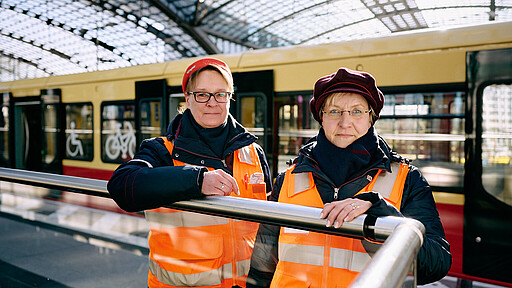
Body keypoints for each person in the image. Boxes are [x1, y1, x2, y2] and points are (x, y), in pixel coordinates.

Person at [247, 67, 451, 287]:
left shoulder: (407, 179)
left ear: (371, 117)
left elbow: (435, 264)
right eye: (334, 111)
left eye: (357, 111)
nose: (345, 122)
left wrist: (382, 216)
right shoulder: (288, 178)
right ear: (321, 118)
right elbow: (262, 264)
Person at [107, 57, 272, 288]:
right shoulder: (162, 150)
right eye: (202, 94)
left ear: (230, 97)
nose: (212, 103)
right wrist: (196, 180)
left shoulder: (254, 152)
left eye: (220, 94)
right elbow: (121, 185)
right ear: (187, 98)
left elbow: (269, 228)